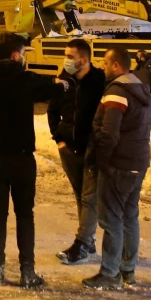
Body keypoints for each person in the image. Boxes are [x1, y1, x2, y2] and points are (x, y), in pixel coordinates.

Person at [0, 32, 56, 289]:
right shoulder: (26, 79)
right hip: (22, 158)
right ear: (16, 55)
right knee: (24, 215)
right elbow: (51, 90)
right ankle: (27, 271)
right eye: (25, 53)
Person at [83, 46, 151, 290]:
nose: (102, 67)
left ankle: (110, 273)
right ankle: (128, 269)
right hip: (138, 162)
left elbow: (109, 133)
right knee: (129, 216)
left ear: (116, 65)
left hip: (118, 164)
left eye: (105, 62)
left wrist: (101, 161)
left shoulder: (116, 93)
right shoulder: (140, 87)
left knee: (111, 219)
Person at [47, 38, 106, 265]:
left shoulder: (100, 80)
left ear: (83, 59)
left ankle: (81, 244)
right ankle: (88, 241)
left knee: (89, 198)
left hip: (91, 149)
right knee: (80, 195)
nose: (66, 60)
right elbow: (52, 110)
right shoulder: (64, 80)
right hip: (68, 149)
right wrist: (58, 138)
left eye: (70, 57)